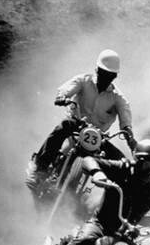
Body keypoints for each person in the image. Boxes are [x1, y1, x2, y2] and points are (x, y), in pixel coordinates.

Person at [26, 49, 137, 189]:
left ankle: (116, 204)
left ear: (114, 76)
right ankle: (39, 170)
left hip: (98, 137)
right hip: (76, 126)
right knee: (63, 126)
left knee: (123, 164)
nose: (105, 78)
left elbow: (126, 119)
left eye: (110, 76)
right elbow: (67, 89)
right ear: (97, 70)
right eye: (103, 74)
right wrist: (63, 97)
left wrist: (130, 138)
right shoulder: (83, 81)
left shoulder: (118, 98)